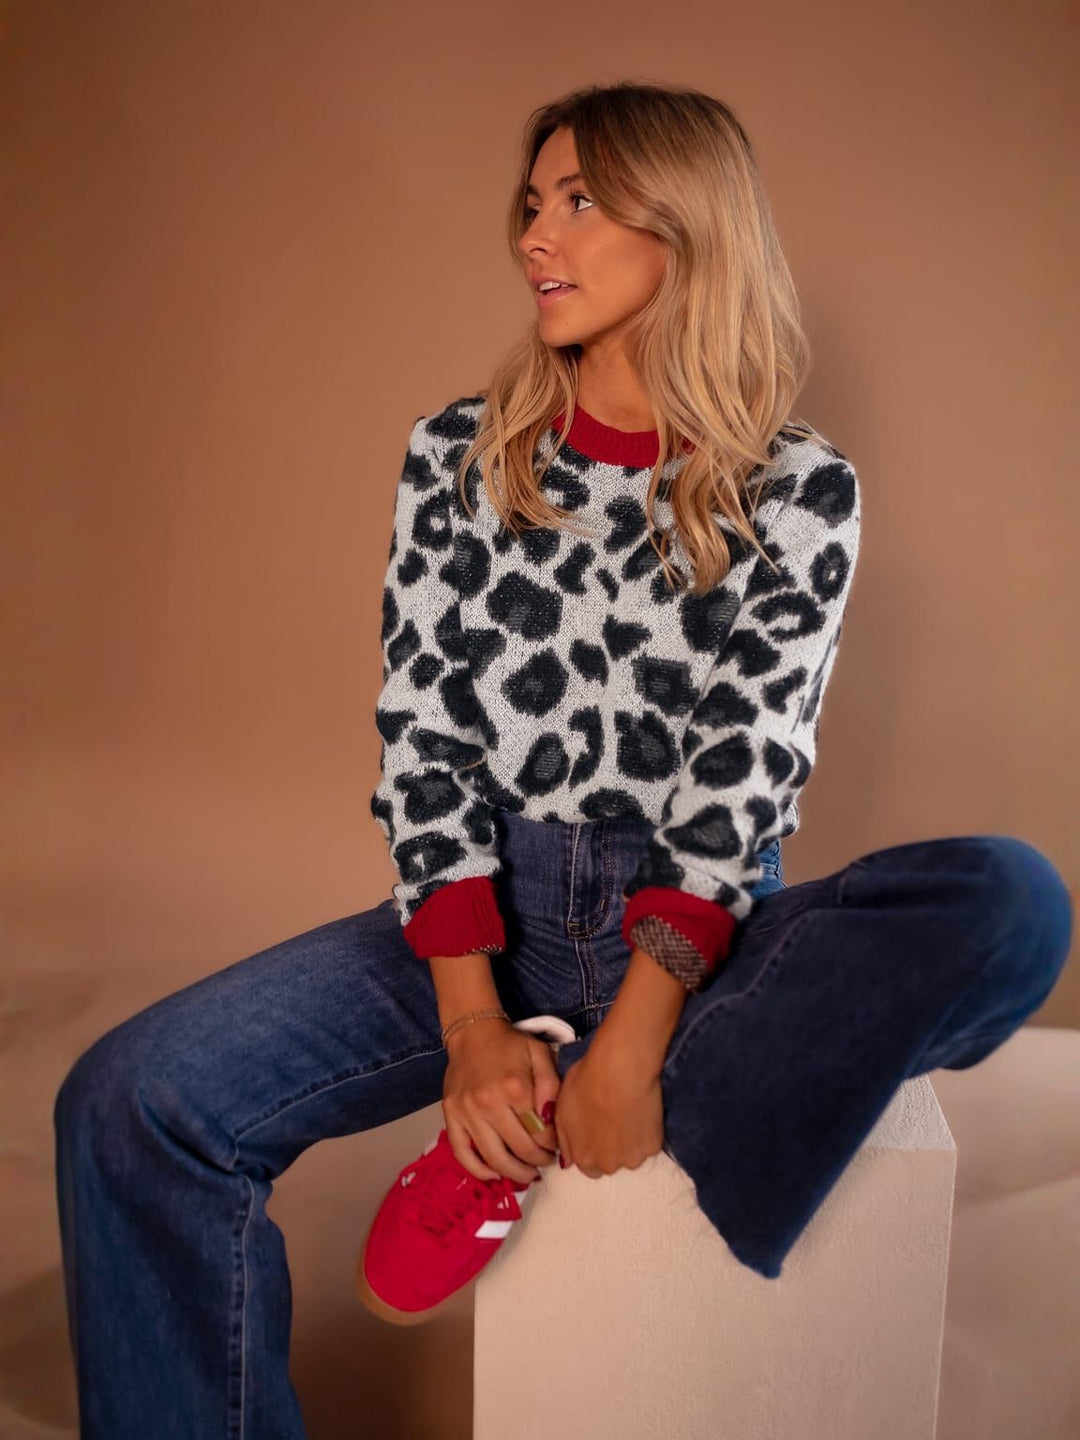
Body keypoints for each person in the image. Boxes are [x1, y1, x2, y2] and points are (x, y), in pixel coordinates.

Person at [52, 81, 1072, 1437]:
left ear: (686, 227)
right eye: (533, 204)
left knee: (1011, 902)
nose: (536, 235)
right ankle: (549, 1083)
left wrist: (633, 1043)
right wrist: (473, 1029)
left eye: (581, 202)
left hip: (700, 936)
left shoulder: (798, 486)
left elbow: (740, 780)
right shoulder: (458, 458)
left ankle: (586, 1103)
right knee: (127, 1101)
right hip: (494, 917)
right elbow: (424, 742)